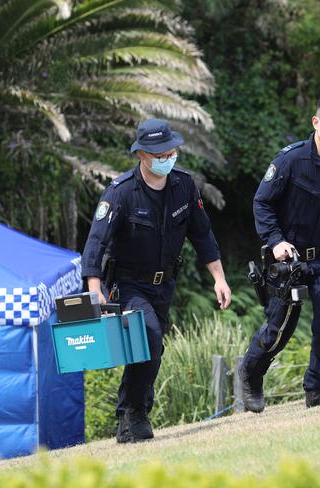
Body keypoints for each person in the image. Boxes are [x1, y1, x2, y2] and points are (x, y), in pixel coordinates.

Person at [81, 118, 232, 443]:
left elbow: (203, 235)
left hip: (164, 285)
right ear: (143, 156)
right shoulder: (120, 193)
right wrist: (95, 290)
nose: (168, 157)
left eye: (172, 151)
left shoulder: (184, 186)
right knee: (147, 336)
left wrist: (219, 278)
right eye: (161, 153)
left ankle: (128, 417)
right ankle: (133, 413)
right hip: (128, 283)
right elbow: (96, 241)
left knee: (152, 346)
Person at [241, 93, 320, 412]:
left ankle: (318, 389)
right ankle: (251, 373)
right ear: (316, 123)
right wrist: (276, 240)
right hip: (288, 259)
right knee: (279, 330)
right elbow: (261, 202)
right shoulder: (290, 160)